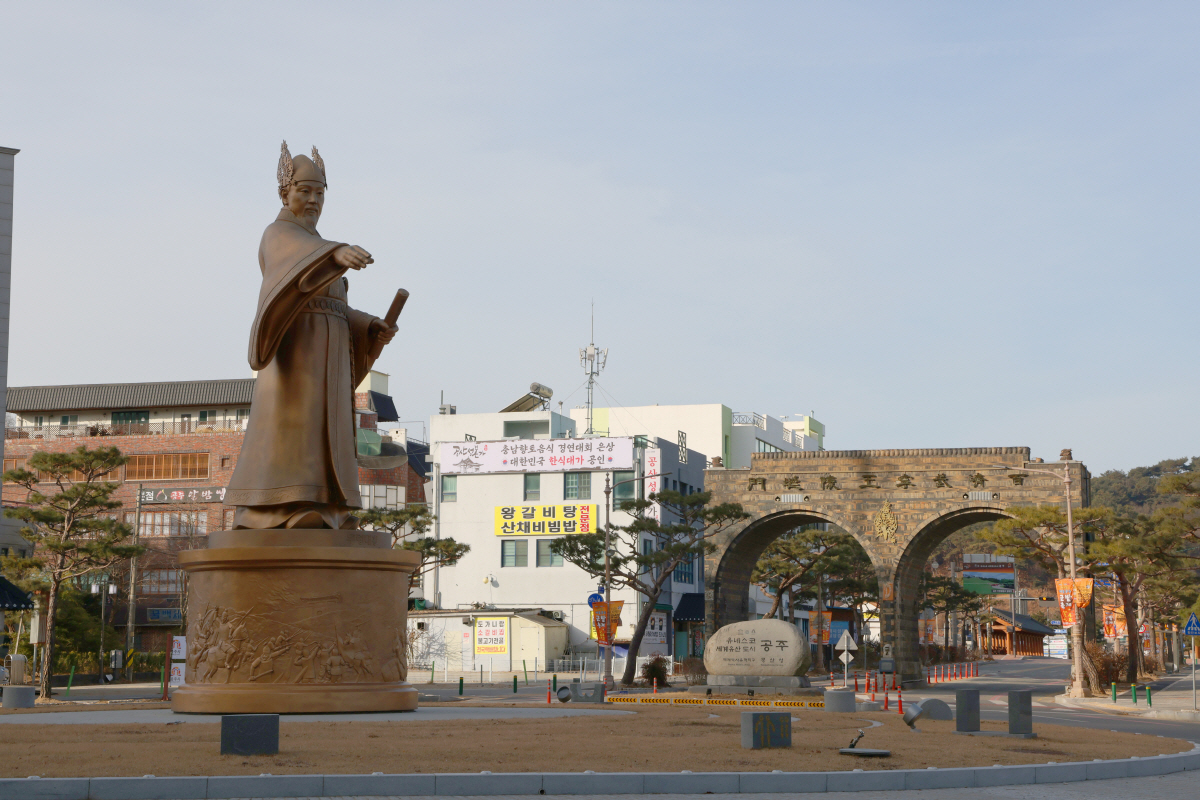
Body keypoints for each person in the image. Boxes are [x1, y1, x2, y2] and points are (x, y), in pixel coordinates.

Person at [225, 142, 397, 530]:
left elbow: (336, 308)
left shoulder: (318, 249)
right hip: (297, 351)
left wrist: (369, 326)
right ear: (285, 192)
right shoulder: (278, 234)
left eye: (320, 193)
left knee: (327, 427)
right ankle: (278, 507)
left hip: (330, 355)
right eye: (305, 191)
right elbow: (297, 260)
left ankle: (328, 506)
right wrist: (335, 253)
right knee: (296, 424)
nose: (314, 199)